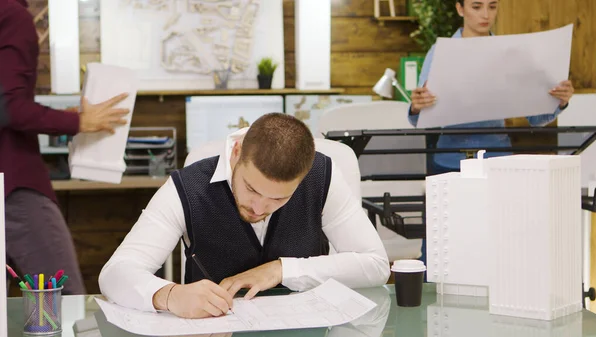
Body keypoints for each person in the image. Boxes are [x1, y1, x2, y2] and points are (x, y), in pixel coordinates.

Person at [99, 113, 390, 318]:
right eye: (251, 188)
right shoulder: (186, 188)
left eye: (279, 198)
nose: (259, 208)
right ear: (237, 152)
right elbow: (115, 274)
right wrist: (170, 295)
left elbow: (376, 264)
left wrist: (281, 270)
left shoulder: (322, 176)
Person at [0, 0, 130, 294]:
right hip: (14, 186)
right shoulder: (13, 15)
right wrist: (79, 123)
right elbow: (8, 107)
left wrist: (64, 117)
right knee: (64, 299)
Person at [408, 0, 575, 174]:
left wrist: (559, 101)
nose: (486, 15)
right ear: (460, 9)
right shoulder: (439, 52)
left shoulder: (511, 55)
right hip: (449, 161)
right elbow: (417, 119)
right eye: (476, 7)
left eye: (492, 6)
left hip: (497, 161)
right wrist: (417, 107)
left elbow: (537, 119)